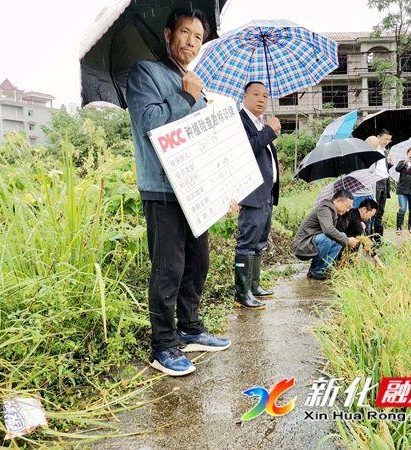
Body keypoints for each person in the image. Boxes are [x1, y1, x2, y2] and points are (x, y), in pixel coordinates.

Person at [126, 8, 231, 376]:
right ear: (169, 34)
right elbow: (150, 124)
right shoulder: (145, 73)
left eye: (198, 37)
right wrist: (186, 98)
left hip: (194, 190)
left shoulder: (192, 80)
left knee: (198, 263)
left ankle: (190, 328)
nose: (191, 41)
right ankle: (163, 346)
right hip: (161, 189)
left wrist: (223, 188)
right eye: (185, 33)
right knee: (168, 268)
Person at [234, 81, 281, 310]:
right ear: (244, 96)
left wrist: (268, 130)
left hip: (266, 194)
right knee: (247, 243)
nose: (261, 99)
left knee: (259, 243)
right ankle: (242, 294)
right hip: (251, 194)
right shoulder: (238, 121)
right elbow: (244, 149)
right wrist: (270, 131)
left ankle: (254, 286)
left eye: (265, 95)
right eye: (255, 94)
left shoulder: (260, 122)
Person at [292, 190, 359, 280]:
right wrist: (347, 241)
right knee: (327, 238)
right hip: (302, 245)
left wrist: (347, 214)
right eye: (347, 206)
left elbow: (339, 231)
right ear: (338, 201)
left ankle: (323, 269)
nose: (347, 210)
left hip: (313, 241)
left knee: (341, 236)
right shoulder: (325, 208)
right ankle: (315, 270)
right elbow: (328, 230)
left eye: (350, 208)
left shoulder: (335, 212)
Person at [339, 198, 385, 268]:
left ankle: (347, 260)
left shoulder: (356, 215)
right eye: (370, 215)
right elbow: (366, 242)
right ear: (363, 209)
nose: (369, 218)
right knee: (359, 241)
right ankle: (341, 261)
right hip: (339, 246)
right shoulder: (354, 218)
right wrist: (378, 262)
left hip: (343, 244)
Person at [372, 129, 393, 237]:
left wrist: (389, 165)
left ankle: (378, 236)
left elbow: (382, 168)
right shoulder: (373, 149)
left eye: (389, 139)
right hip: (376, 181)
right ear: (378, 137)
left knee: (381, 210)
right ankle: (371, 236)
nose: (387, 141)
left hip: (384, 182)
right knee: (373, 210)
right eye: (386, 139)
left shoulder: (384, 151)